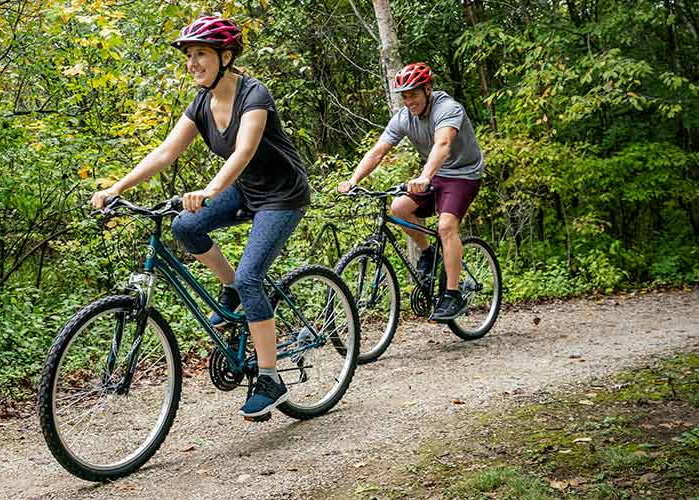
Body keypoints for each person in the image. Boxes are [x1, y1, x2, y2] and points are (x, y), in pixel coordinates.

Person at [91, 16, 310, 418]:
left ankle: (270, 377)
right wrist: (116, 187)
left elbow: (243, 150)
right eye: (189, 55)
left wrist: (210, 190)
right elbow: (165, 153)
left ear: (226, 57)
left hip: (281, 195)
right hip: (246, 190)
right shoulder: (201, 103)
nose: (192, 62)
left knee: (250, 278)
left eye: (201, 54)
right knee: (186, 226)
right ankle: (230, 288)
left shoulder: (254, 96)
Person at [337, 62, 484, 321]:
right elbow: (378, 151)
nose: (408, 101)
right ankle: (428, 254)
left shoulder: (448, 108)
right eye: (404, 96)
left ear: (428, 89)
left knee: (446, 226)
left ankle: (453, 294)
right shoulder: (404, 118)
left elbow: (443, 143)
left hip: (463, 174)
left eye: (413, 94)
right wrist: (353, 180)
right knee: (399, 208)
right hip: (435, 174)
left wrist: (425, 176)